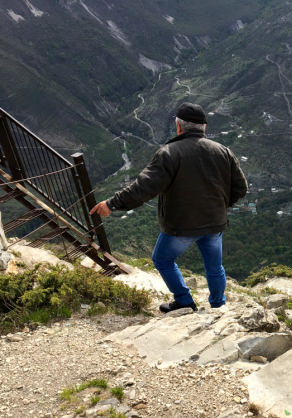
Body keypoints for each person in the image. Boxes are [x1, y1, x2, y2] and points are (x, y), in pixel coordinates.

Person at [90, 102, 248, 312]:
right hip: (215, 223)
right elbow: (240, 188)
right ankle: (218, 306)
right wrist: (221, 205)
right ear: (204, 127)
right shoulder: (223, 151)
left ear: (179, 127)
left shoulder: (169, 153)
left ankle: (184, 300)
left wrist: (111, 203)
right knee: (215, 268)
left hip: (181, 225)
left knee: (162, 259)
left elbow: (143, 188)